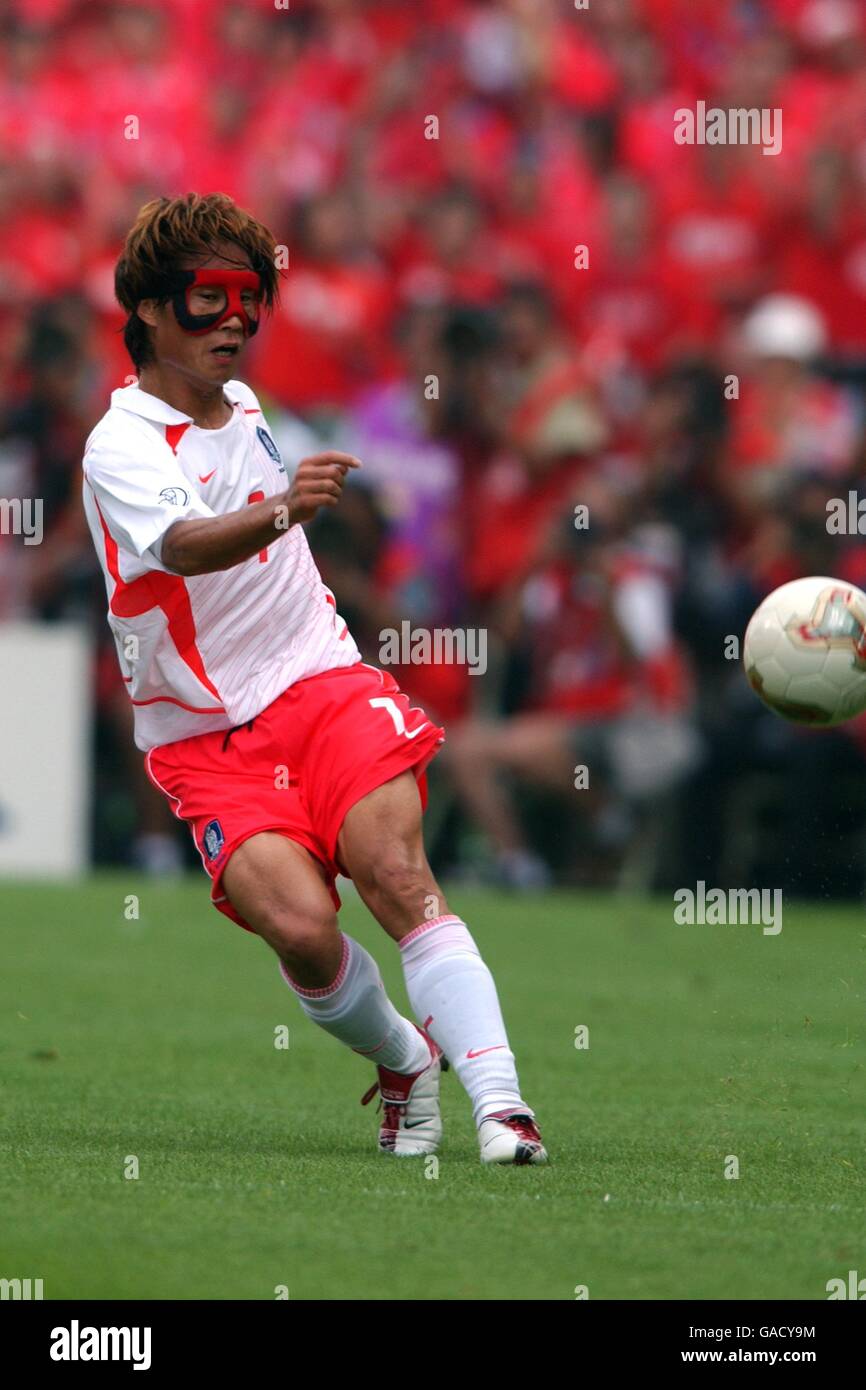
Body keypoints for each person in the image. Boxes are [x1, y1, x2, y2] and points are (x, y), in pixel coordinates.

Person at [81, 191, 546, 1165]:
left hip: (320, 679)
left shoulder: (247, 406)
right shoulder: (119, 444)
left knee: (397, 873)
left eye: (250, 298)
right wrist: (287, 508)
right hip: (203, 737)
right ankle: (405, 1061)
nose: (237, 320)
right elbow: (185, 545)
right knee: (297, 927)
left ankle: (502, 1108)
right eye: (209, 298)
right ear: (152, 309)